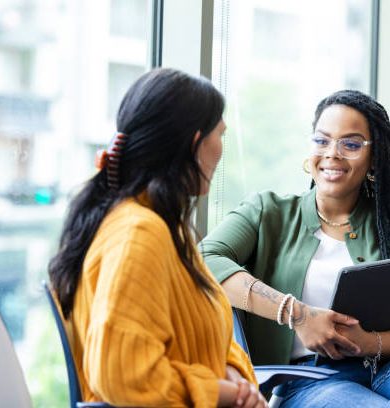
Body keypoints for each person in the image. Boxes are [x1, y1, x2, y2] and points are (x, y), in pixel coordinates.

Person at [48, 68, 267, 408]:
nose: (221, 150)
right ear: (196, 143)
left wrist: (233, 375)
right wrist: (220, 393)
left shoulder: (165, 227)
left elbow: (211, 340)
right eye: (220, 135)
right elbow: (123, 375)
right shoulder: (139, 234)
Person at [200, 89, 390, 407]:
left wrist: (370, 344)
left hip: (381, 368)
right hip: (308, 380)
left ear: (374, 157)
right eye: (322, 140)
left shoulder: (384, 221)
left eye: (352, 144)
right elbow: (203, 259)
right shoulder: (268, 211)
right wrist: (298, 315)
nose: (333, 153)